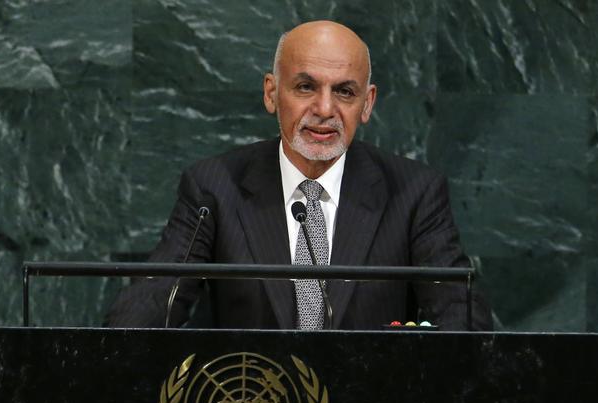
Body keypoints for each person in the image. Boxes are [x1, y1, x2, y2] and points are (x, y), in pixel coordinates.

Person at [106, 20, 491, 330]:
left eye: (343, 92)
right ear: (272, 93)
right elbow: (152, 303)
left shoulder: (413, 193)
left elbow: (462, 318)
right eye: (306, 87)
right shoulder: (214, 187)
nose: (324, 109)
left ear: (367, 103)